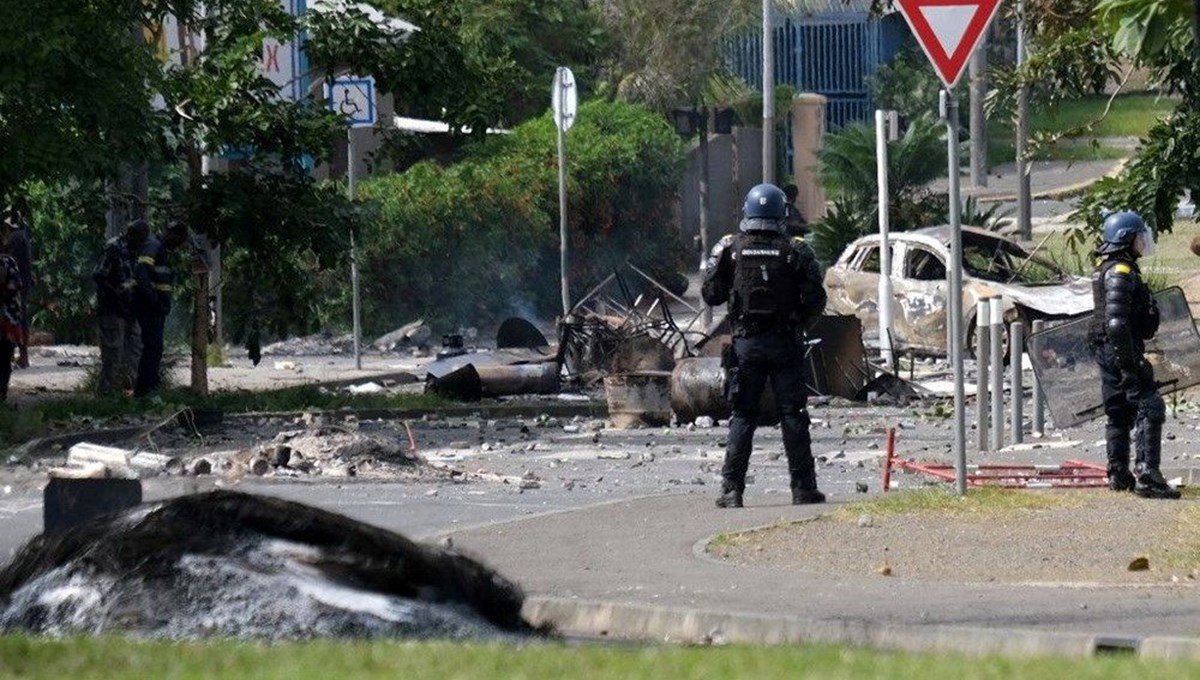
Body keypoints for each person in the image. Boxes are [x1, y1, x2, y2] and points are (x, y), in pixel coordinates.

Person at [701, 183, 828, 508]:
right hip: (785, 343)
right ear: (781, 212)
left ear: (747, 211)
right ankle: (803, 490)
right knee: (793, 415)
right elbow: (817, 298)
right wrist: (798, 320)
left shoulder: (731, 249)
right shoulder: (796, 250)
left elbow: (710, 294)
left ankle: (731, 491)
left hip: (746, 345)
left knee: (743, 415)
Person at [1088, 211, 1179, 499]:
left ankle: (1118, 473)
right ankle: (1148, 476)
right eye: (1139, 237)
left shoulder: (1108, 268)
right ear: (1126, 239)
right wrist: (1130, 364)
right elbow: (1116, 323)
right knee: (1149, 406)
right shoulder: (1121, 272)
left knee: (1118, 410)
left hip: (1108, 349)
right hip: (1120, 348)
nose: (1142, 242)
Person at [133, 220, 188, 398]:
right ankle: (145, 390)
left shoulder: (161, 249)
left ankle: (151, 387)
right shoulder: (154, 246)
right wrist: (154, 299)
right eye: (178, 242)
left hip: (156, 308)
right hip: (150, 308)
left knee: (155, 348)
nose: (178, 247)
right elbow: (142, 272)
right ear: (171, 235)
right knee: (152, 347)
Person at [93, 219, 148, 395]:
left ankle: (130, 391)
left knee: (136, 351)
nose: (140, 243)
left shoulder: (138, 251)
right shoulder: (114, 247)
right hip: (112, 310)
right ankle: (105, 394)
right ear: (130, 234)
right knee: (113, 355)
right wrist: (116, 295)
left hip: (131, 311)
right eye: (138, 239)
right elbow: (99, 275)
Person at [1, 206, 33, 369]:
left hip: (14, 286)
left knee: (14, 319)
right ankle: (20, 356)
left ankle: (21, 355)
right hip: (21, 284)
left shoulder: (14, 238)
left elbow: (8, 263)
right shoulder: (22, 236)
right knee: (19, 318)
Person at [0, 249, 23, 404]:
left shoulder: (7, 262)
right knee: (4, 359)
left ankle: (2, 394)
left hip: (7, 321)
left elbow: (16, 285)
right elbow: (17, 285)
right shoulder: (8, 261)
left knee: (4, 358)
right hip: (8, 320)